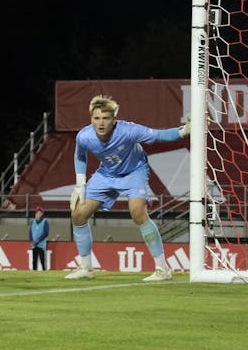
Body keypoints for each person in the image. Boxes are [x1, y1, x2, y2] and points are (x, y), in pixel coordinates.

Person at [66, 94, 190, 282]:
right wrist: (80, 184)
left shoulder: (129, 131)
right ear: (91, 118)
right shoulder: (84, 136)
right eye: (96, 118)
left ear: (114, 119)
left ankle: (162, 269)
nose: (100, 123)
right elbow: (80, 155)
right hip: (106, 174)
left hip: (134, 171)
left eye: (105, 118)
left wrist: (184, 131)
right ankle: (86, 267)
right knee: (78, 214)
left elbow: (158, 135)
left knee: (137, 211)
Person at [29, 206, 49, 271]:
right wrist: (32, 241)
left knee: (42, 260)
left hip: (41, 245)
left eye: (40, 213)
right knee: (34, 261)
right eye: (37, 213)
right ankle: (34, 273)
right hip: (34, 245)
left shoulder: (45, 222)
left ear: (42, 214)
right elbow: (30, 232)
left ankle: (44, 272)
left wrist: (38, 241)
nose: (38, 214)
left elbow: (45, 233)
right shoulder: (33, 222)